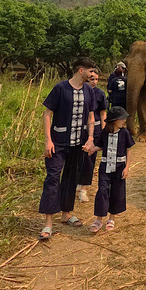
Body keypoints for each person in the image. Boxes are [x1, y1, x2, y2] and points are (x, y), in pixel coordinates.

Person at [37, 57, 98, 240]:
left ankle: (66, 213)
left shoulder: (89, 90)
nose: (93, 74)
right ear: (81, 70)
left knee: (71, 178)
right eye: (90, 71)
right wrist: (48, 140)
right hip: (58, 142)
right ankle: (48, 222)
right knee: (53, 178)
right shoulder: (61, 88)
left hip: (78, 143)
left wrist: (90, 139)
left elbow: (91, 117)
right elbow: (47, 114)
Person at [88, 106, 134, 233]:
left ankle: (111, 219)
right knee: (102, 191)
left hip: (119, 167)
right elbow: (101, 146)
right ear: (114, 120)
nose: (124, 120)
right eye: (122, 118)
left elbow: (129, 149)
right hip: (105, 167)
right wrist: (92, 149)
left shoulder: (125, 133)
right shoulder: (105, 132)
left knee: (116, 192)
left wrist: (127, 167)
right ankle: (98, 219)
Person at [76, 71, 108, 202]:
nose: (94, 82)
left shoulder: (100, 94)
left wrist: (103, 132)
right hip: (79, 128)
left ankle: (84, 188)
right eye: (92, 79)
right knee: (76, 157)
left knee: (89, 159)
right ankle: (75, 182)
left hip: (94, 129)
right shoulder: (79, 91)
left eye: (96, 79)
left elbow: (102, 113)